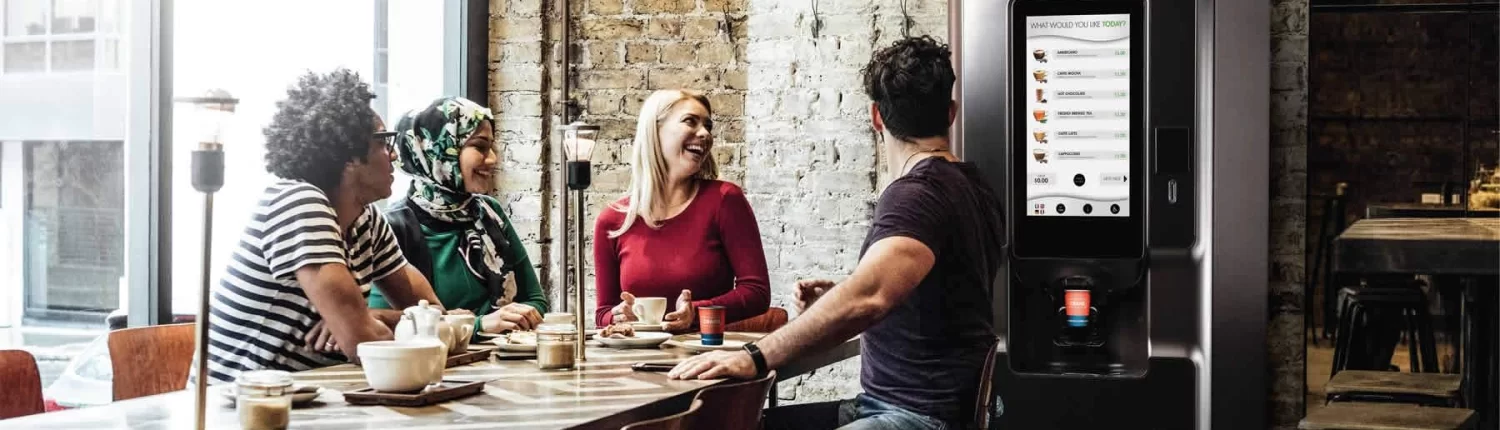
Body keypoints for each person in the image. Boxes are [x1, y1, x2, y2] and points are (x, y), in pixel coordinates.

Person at [666, 36, 1005, 430]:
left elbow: (869, 297)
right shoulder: (974, 187)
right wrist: (836, 300)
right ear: (951, 113)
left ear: (876, 117)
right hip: (892, 407)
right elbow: (937, 294)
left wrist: (754, 356)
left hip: (917, 417)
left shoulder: (917, 193)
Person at [198, 68, 443, 385]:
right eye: (384, 142)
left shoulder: (368, 222)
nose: (394, 155)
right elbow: (364, 343)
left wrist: (377, 316)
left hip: (315, 397)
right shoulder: (299, 203)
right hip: (240, 403)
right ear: (349, 154)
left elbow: (437, 319)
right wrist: (370, 323)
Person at [593, 89, 771, 332]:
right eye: (690, 121)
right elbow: (603, 313)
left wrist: (695, 313)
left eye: (708, 126)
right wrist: (618, 317)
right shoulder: (612, 220)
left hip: (705, 352)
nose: (705, 133)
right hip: (635, 353)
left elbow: (757, 292)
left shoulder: (725, 200)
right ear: (655, 131)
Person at [378, 96, 548, 334]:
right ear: (435, 151)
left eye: (491, 147)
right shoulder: (392, 226)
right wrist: (479, 325)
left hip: (506, 354)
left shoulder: (489, 212)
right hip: (440, 358)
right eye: (480, 146)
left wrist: (509, 319)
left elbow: (536, 301)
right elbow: (386, 328)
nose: (493, 159)